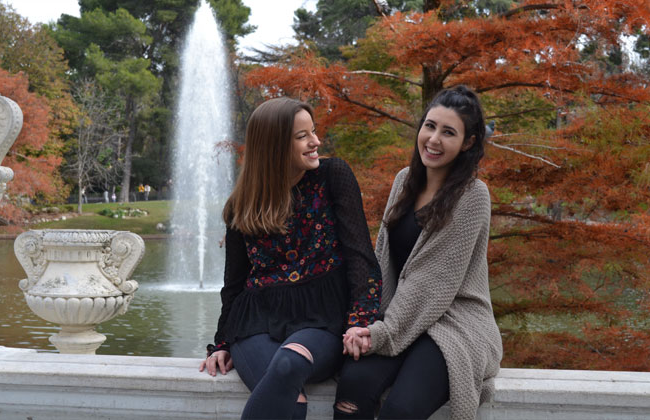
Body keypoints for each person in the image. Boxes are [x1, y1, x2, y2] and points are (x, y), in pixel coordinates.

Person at [199, 97, 382, 420]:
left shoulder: (333, 176)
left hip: (321, 318)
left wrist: (360, 322)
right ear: (273, 146)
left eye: (313, 132)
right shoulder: (241, 205)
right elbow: (235, 284)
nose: (316, 142)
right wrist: (223, 342)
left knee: (288, 364)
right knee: (290, 398)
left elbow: (359, 256)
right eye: (302, 136)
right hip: (255, 322)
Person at [333, 85, 502, 420]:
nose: (434, 139)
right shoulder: (404, 181)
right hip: (400, 316)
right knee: (352, 390)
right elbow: (382, 260)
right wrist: (365, 320)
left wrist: (380, 334)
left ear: (468, 143)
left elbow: (434, 281)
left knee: (401, 409)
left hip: (454, 322)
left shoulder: (473, 196)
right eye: (430, 126)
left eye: (448, 132)